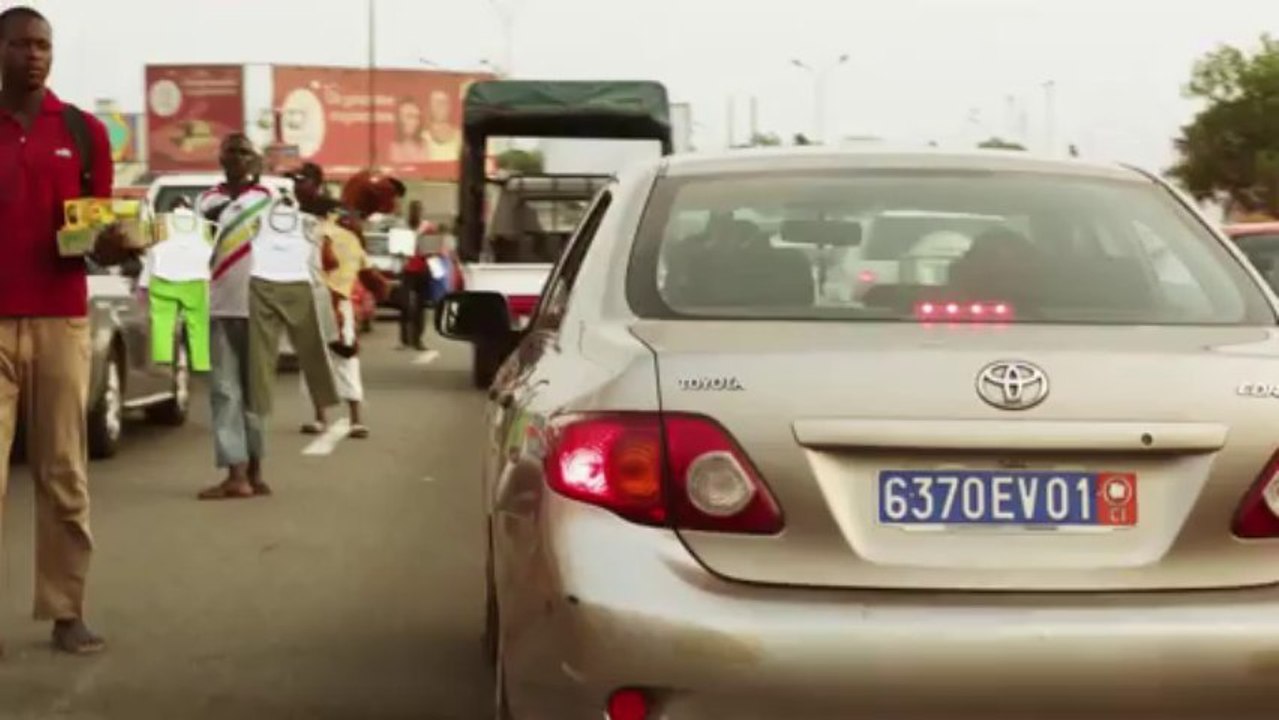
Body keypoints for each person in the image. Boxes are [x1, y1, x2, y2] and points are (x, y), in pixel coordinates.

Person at [0, 5, 125, 654]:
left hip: (60, 317)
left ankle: (66, 609)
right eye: (20, 44)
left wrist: (118, 241)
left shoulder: (82, 131)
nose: (34, 55)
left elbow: (95, 231)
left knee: (63, 471)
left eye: (42, 45)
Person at [196, 133, 277, 501]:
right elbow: (203, 229)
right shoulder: (207, 200)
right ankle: (237, 472)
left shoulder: (268, 201)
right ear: (221, 158)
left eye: (245, 153)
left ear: (256, 160)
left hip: (258, 305)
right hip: (219, 303)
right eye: (232, 152)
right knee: (226, 391)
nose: (239, 158)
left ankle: (254, 472)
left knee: (254, 392)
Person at [290, 163, 389, 439]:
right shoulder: (289, 215)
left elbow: (356, 252)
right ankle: (319, 416)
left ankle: (356, 417)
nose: (297, 185)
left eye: (302, 180)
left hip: (337, 297)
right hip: (307, 295)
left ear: (316, 183)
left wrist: (372, 282)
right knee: (312, 358)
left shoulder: (338, 215)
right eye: (294, 180)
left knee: (345, 354)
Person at [399, 200, 433, 350]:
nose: (416, 213)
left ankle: (418, 339)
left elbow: (432, 250)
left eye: (419, 210)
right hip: (406, 269)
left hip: (423, 270)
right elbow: (395, 248)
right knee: (405, 305)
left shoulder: (428, 228)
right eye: (414, 210)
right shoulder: (403, 227)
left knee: (420, 306)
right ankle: (405, 339)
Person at [424, 89, 461, 161]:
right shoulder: (422, 138)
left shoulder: (460, 136)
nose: (441, 106)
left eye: (444, 102)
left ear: (450, 106)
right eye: (437, 102)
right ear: (429, 107)